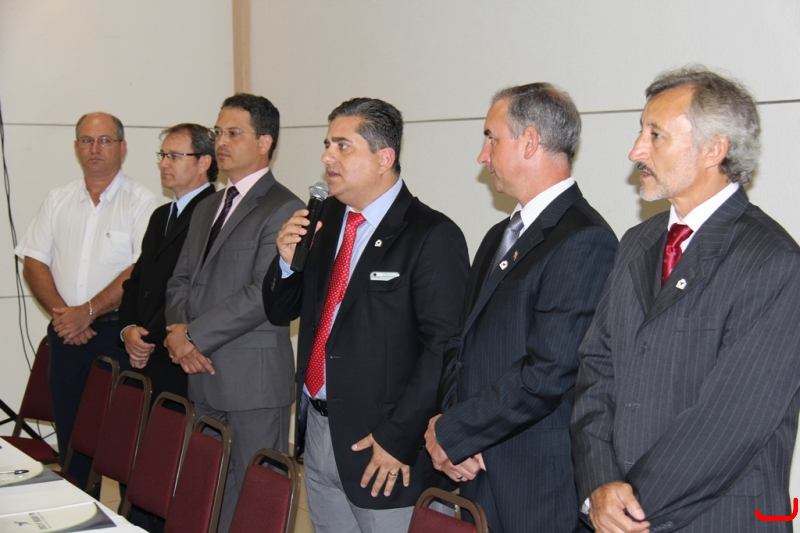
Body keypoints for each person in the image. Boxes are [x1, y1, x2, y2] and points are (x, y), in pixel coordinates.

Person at [571, 66, 800, 533]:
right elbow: (596, 367)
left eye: (655, 135)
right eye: (641, 132)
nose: (636, 150)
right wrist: (600, 484)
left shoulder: (772, 261)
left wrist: (631, 508)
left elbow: (731, 421)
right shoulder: (638, 242)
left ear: (714, 149)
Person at [263, 97, 469, 533]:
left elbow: (444, 350)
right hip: (318, 430)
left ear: (384, 158)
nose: (327, 157)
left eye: (343, 146)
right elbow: (281, 309)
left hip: (384, 449)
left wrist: (398, 438)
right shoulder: (324, 218)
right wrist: (285, 261)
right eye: (327, 145)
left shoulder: (431, 234)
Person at [424, 83, 617, 532]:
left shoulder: (584, 239)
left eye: (491, 139)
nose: (482, 156)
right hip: (477, 469)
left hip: (533, 486)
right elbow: (462, 345)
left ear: (529, 141)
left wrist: (454, 432)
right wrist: (453, 428)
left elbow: (548, 373)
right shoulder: (499, 235)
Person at [164, 94, 303, 533]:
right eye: (218, 132)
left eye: (233, 133)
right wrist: (177, 333)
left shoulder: (284, 207)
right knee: (207, 495)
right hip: (202, 374)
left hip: (252, 383)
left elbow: (262, 293)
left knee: (255, 503)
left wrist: (193, 337)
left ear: (264, 142)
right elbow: (180, 278)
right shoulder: (208, 206)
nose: (220, 142)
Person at [15, 112, 160, 489]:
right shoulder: (57, 199)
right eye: (87, 140)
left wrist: (89, 312)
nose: (95, 148)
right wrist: (65, 316)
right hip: (66, 335)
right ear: (76, 147)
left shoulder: (143, 203)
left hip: (117, 338)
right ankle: (79, 509)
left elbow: (138, 270)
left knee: (124, 443)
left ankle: (124, 516)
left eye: (105, 140)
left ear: (122, 148)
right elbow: (34, 261)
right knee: (71, 442)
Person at [119, 123, 216, 404]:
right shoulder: (161, 215)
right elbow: (137, 281)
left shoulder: (214, 214)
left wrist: (149, 337)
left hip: (181, 354)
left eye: (174, 156)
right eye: (162, 156)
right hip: (146, 354)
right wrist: (128, 329)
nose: (164, 164)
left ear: (204, 163)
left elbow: (198, 290)